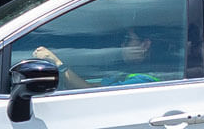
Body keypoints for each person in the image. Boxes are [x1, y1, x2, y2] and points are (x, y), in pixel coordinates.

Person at [31, 28, 172, 90]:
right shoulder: (126, 74)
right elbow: (86, 85)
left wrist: (56, 62)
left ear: (145, 45)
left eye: (128, 40)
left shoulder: (143, 80)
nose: (122, 45)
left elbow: (87, 91)